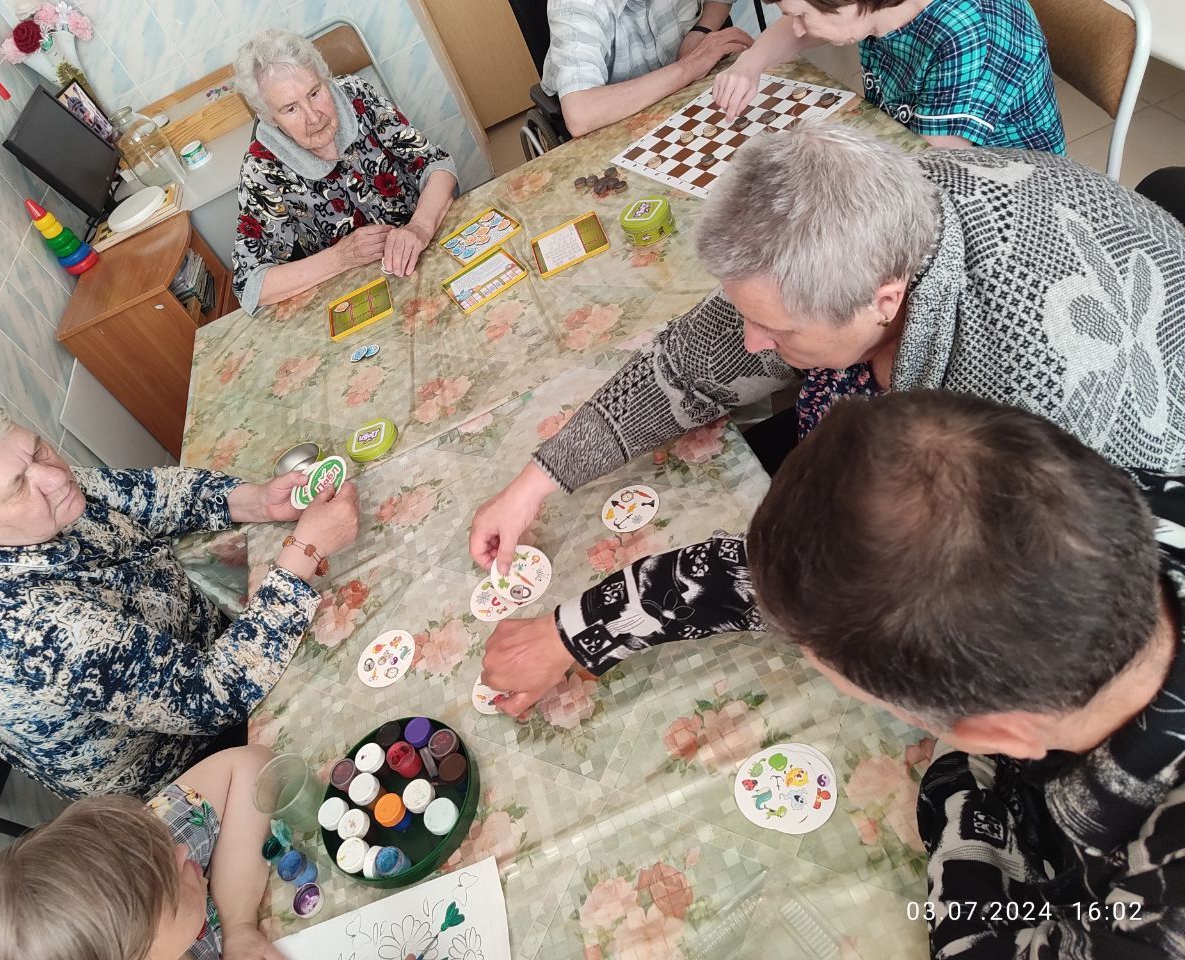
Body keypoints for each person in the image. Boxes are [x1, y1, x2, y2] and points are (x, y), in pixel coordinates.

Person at [484, 392, 1185, 956]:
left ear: (993, 734)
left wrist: (958, 794)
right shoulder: (1104, 506)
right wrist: (574, 631)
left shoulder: (1157, 913)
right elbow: (823, 573)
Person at [469, 123, 1185, 576]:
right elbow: (696, 360)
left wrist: (602, 623)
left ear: (884, 300)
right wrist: (537, 481)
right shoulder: (876, 223)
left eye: (780, 334)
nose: (755, 343)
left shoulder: (1015, 387)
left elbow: (888, 575)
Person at [0, 399, 359, 798]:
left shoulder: (34, 492)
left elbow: (148, 495)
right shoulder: (14, 629)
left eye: (38, 448)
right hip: (193, 763)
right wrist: (305, 552)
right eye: (18, 485)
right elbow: (213, 694)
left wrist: (258, 501)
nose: (54, 475)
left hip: (208, 639)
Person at [0, 744, 282, 960]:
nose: (181, 851)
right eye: (168, 880)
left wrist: (238, 925)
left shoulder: (144, 846)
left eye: (162, 845)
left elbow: (251, 765)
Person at [231, 28, 459, 315]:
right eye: (290, 109)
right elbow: (251, 285)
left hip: (426, 247)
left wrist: (419, 227)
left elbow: (436, 165)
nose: (313, 117)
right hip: (361, 299)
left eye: (315, 92)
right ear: (270, 118)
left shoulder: (358, 95)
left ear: (324, 78)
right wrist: (340, 258)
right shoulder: (262, 167)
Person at [712, 0, 1064, 152]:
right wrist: (748, 64)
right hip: (910, 147)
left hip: (1004, 190)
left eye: (803, 15)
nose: (799, 29)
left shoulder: (967, 32)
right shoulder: (875, 9)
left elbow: (926, 166)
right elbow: (796, 29)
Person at [540, 0, 755, 137]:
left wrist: (701, 30)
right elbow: (581, 114)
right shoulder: (573, 4)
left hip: (685, 95)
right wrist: (689, 66)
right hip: (622, 117)